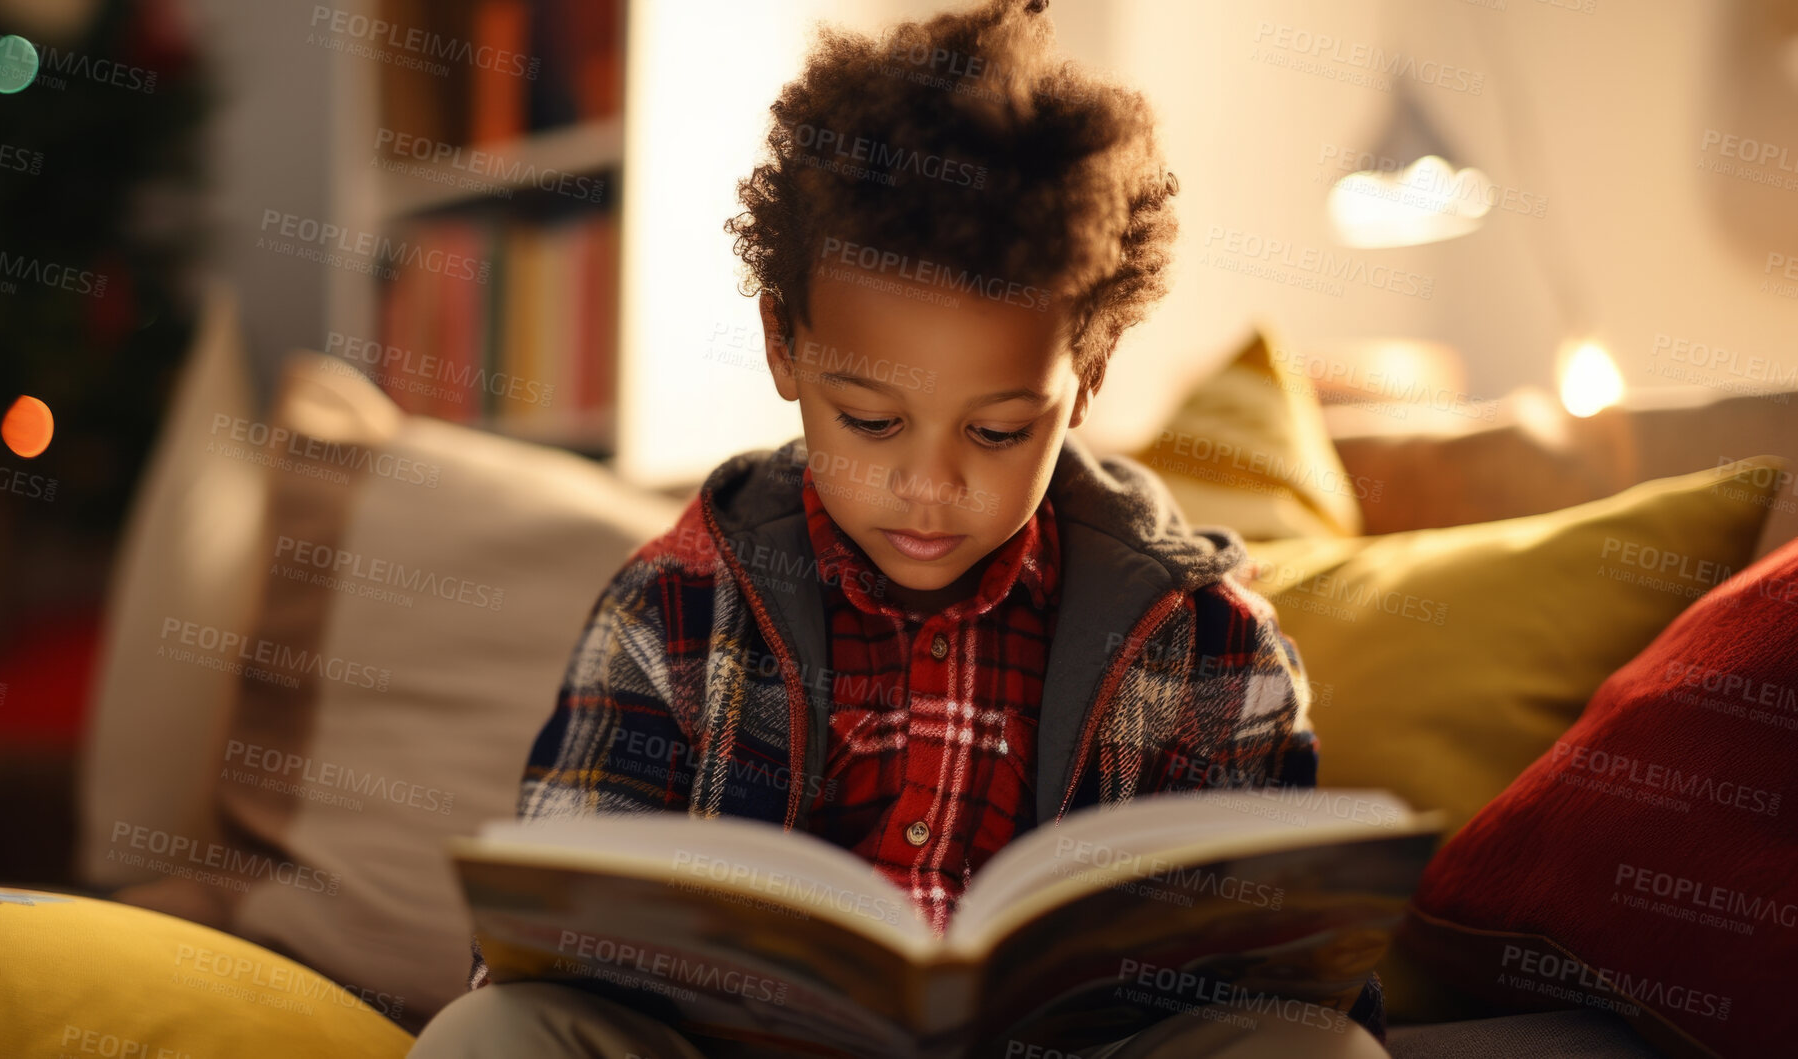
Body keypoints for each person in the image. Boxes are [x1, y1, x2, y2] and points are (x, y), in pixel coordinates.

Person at [411, 1, 1385, 1054]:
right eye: (871, 422)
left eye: (1000, 430)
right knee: (492, 1034)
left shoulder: (1208, 644)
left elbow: (1291, 975)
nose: (929, 483)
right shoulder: (674, 602)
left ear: (1088, 377)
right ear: (783, 348)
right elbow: (547, 939)